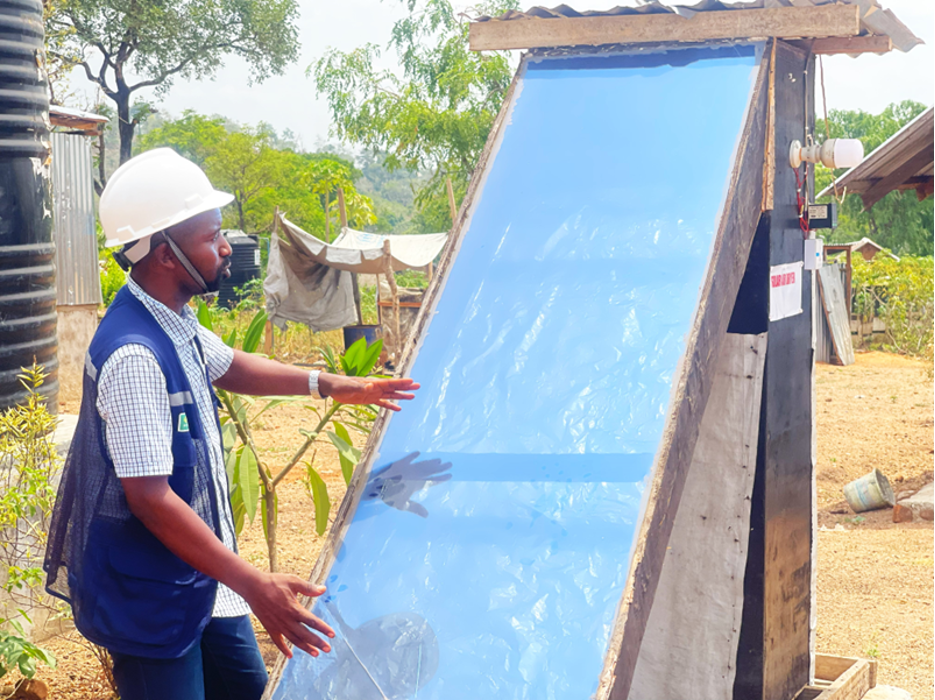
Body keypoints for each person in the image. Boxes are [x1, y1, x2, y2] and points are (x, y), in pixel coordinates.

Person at [43, 148, 419, 700]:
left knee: (250, 689)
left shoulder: (173, 321)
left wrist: (333, 384)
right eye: (212, 236)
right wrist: (256, 584)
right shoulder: (135, 355)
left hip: (205, 582)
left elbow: (231, 365)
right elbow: (150, 499)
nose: (226, 247)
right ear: (165, 254)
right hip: (151, 602)